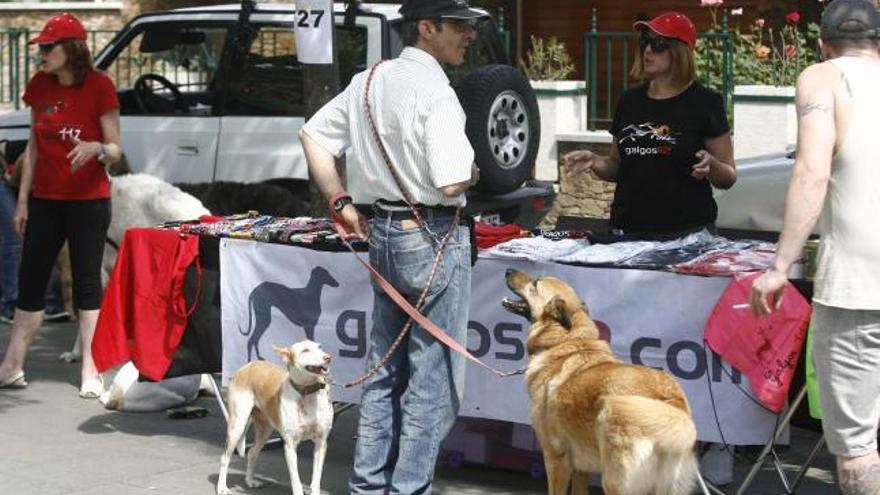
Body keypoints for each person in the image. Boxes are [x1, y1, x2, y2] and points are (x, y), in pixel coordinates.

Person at [299, 0, 481, 492]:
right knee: (431, 381)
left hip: (382, 229)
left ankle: (367, 487)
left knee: (384, 372)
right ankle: (407, 490)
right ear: (427, 28)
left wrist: (340, 203)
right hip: (432, 234)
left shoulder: (368, 81)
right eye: (461, 26)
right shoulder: (437, 92)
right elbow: (449, 183)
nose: (469, 35)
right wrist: (476, 173)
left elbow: (312, 135)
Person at [750, 1, 880, 493]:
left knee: (856, 447)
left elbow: (811, 172)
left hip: (858, 288)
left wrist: (781, 265)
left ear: (823, 44)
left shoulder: (823, 78)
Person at [0, 13, 123, 397]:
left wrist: (97, 149)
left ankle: (91, 368)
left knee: (87, 283)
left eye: (48, 46)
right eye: (40, 46)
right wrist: (22, 202)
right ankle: (12, 365)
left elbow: (117, 150)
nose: (41, 52)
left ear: (71, 49)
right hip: (46, 202)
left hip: (88, 202)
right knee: (31, 279)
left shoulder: (100, 87)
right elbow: (34, 148)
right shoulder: (39, 85)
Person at [564, 11, 736, 239]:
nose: (647, 50)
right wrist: (595, 161)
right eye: (645, 42)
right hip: (627, 231)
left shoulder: (705, 102)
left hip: (687, 234)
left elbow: (729, 176)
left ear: (681, 51)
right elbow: (617, 166)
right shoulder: (629, 100)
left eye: (658, 44)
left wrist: (712, 166)